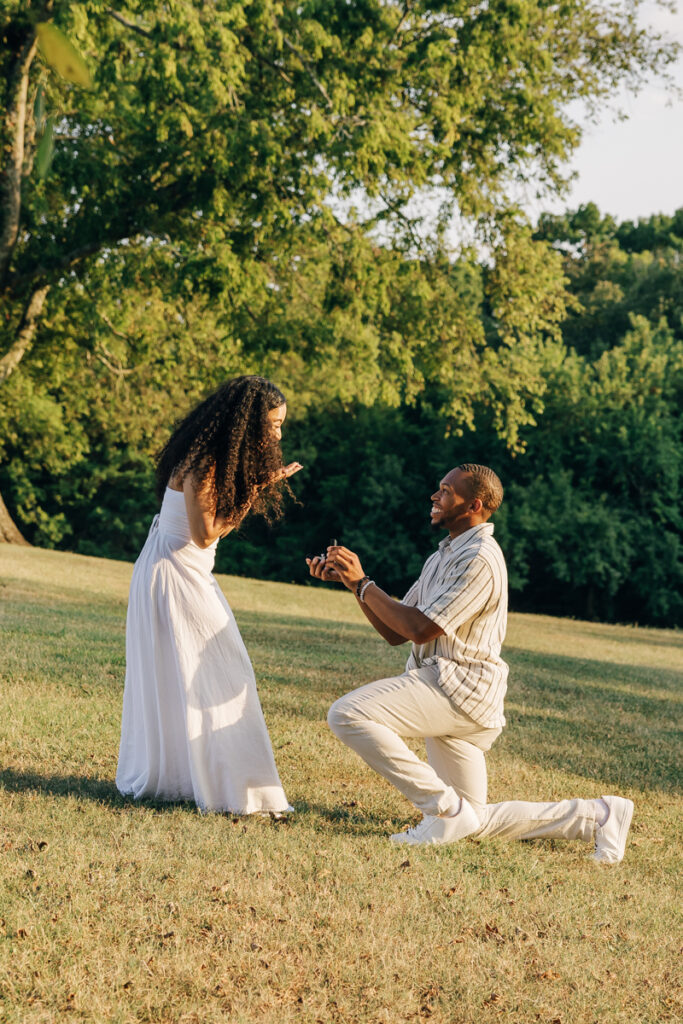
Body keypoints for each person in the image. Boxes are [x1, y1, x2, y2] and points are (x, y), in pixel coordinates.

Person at [307, 463, 633, 863]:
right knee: (474, 822)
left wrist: (363, 583)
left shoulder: (479, 557)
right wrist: (353, 585)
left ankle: (442, 808)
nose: (434, 496)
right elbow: (397, 629)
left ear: (474, 504)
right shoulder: (444, 554)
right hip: (452, 690)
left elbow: (422, 629)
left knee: (347, 714)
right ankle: (599, 815)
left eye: (445, 491)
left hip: (456, 688)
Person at [117, 375, 302, 815]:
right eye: (273, 425)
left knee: (188, 675)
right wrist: (257, 488)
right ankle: (238, 792)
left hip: (176, 571)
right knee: (223, 671)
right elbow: (204, 535)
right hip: (176, 575)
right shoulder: (207, 462)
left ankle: (191, 779)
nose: (278, 434)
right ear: (249, 423)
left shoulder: (211, 457)